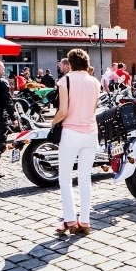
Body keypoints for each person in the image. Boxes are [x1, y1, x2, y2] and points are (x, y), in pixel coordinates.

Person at [51, 48, 100, 236]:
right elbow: (93, 108)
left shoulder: (65, 80)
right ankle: (85, 221)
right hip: (90, 133)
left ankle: (70, 220)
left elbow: (63, 111)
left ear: (70, 64)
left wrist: (52, 122)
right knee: (85, 178)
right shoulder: (95, 81)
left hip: (71, 132)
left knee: (64, 178)